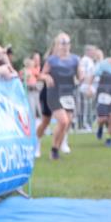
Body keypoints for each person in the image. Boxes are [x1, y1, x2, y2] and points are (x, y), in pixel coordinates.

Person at [35, 32, 81, 160]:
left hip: (67, 94)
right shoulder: (51, 59)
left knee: (66, 122)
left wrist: (83, 80)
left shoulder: (75, 59)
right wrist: (47, 77)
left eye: (67, 43)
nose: (65, 46)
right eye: (62, 43)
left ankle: (57, 148)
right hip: (50, 93)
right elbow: (40, 75)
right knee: (47, 121)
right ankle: (37, 144)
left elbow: (79, 76)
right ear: (56, 44)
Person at [93, 46, 111, 146]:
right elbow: (94, 74)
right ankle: (100, 127)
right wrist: (89, 87)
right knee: (103, 118)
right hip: (104, 93)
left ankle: (109, 138)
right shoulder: (104, 64)